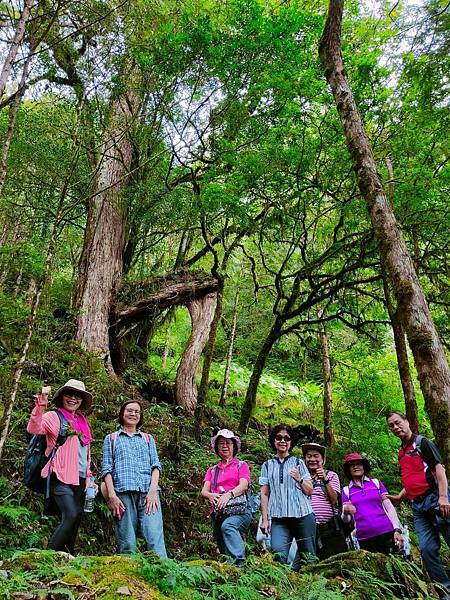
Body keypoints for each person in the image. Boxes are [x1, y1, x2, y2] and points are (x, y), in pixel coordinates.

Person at [26, 379, 97, 554]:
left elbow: (85, 453)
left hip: (80, 478)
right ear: (62, 397)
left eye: (78, 395)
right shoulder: (54, 416)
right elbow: (34, 428)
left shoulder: (81, 421)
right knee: (71, 515)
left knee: (76, 518)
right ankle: (47, 557)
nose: (73, 398)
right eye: (69, 394)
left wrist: (89, 477)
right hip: (59, 474)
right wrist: (41, 405)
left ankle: (68, 558)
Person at [386, 411, 450, 597]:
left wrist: (443, 496)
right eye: (391, 426)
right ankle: (445, 590)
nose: (395, 427)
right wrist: (400, 497)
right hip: (417, 506)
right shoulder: (401, 451)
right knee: (426, 549)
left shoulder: (422, 443)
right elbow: (413, 477)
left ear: (406, 421)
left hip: (435, 499)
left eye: (398, 423)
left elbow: (439, 469)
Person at [100, 400, 167, 557]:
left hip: (148, 494)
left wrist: (152, 491)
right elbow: (107, 469)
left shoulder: (148, 438)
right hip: (122, 494)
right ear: (122, 413)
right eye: (129, 410)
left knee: (154, 538)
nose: (133, 414)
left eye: (137, 412)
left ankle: (165, 575)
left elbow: (156, 467)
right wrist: (112, 496)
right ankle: (129, 579)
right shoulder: (111, 439)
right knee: (127, 542)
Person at [259, 424, 317, 569]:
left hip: (302, 516)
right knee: (279, 555)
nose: (283, 441)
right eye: (279, 437)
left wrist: (300, 479)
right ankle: (282, 589)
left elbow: (310, 491)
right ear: (274, 440)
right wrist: (265, 520)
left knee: (308, 557)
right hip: (279, 519)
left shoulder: (299, 463)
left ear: (291, 442)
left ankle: (311, 587)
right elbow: (264, 494)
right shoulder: (267, 465)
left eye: (287, 438)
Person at [201, 428, 252, 566]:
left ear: (234, 446)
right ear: (216, 447)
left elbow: (244, 485)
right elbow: (204, 491)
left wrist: (228, 495)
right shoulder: (212, 470)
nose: (225, 446)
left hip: (239, 511)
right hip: (219, 512)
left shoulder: (241, 465)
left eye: (228, 443)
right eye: (221, 443)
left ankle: (239, 563)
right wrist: (211, 495)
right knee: (222, 543)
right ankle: (229, 573)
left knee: (228, 527)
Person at [341, 453, 403, 555]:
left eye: (359, 464)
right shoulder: (346, 491)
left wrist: (397, 529)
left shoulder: (376, 483)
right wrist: (345, 511)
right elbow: (346, 520)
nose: (356, 467)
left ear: (364, 467)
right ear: (348, 469)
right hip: (364, 538)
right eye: (352, 465)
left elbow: (389, 507)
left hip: (387, 532)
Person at [302, 442, 348, 560]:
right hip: (305, 529)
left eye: (316, 456)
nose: (312, 459)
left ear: (322, 460)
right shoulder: (300, 477)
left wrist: (325, 480)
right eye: (309, 456)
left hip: (329, 528)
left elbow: (334, 500)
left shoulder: (331, 475)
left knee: (335, 561)